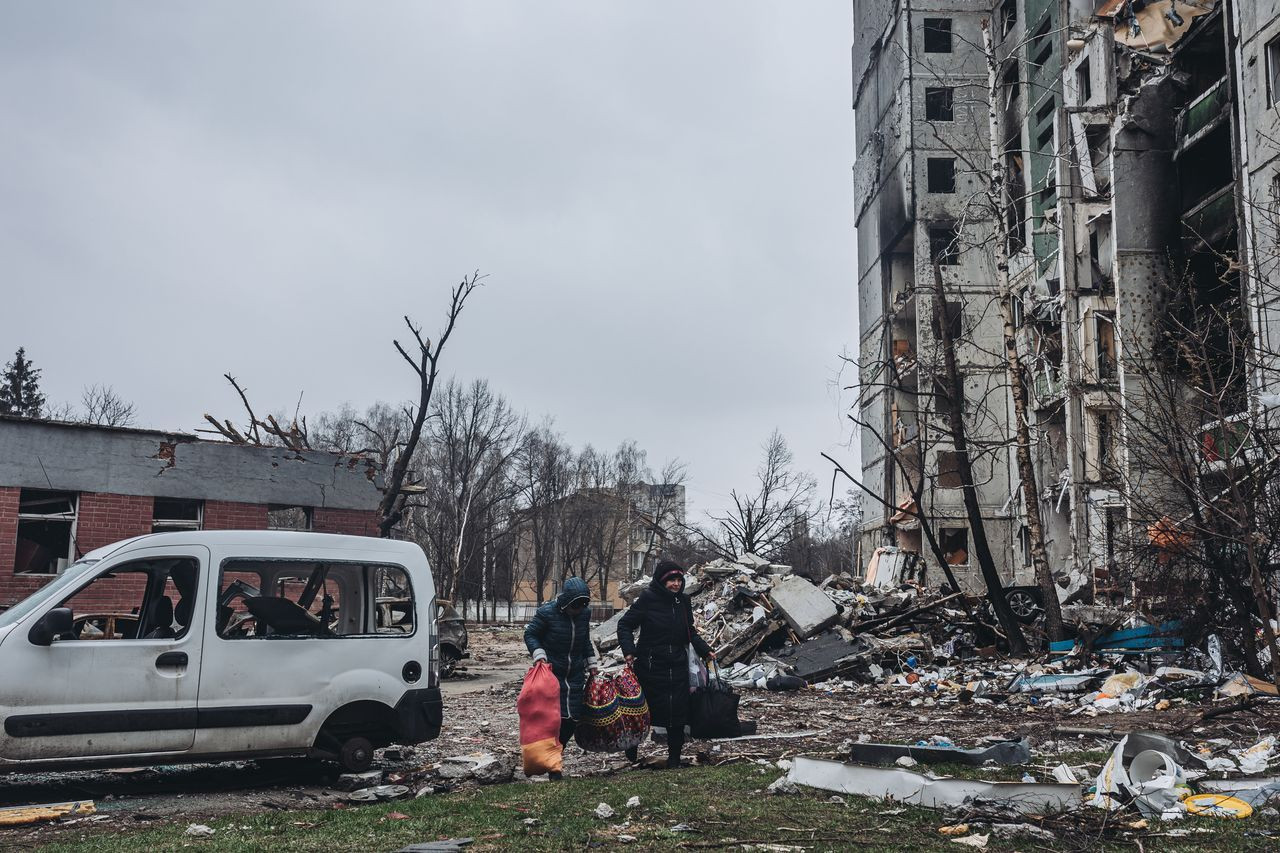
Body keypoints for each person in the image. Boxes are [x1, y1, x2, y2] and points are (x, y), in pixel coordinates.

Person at [616, 560, 713, 768]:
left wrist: (705, 650)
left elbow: (689, 631)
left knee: (677, 713)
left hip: (677, 665)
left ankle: (674, 758)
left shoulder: (683, 601)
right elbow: (624, 624)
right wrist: (629, 651)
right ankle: (632, 746)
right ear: (662, 581)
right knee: (642, 712)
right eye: (671, 580)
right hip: (651, 666)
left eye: (679, 580)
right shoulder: (647, 599)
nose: (676, 584)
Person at [523, 576, 598, 779]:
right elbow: (530, 634)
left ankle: (555, 756)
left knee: (572, 720)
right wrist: (539, 654)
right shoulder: (547, 613)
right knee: (555, 720)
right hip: (552, 674)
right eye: (575, 606)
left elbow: (584, 640)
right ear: (566, 602)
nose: (578, 610)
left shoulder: (584, 615)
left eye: (582, 606)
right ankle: (554, 768)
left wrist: (591, 663)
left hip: (575, 674)